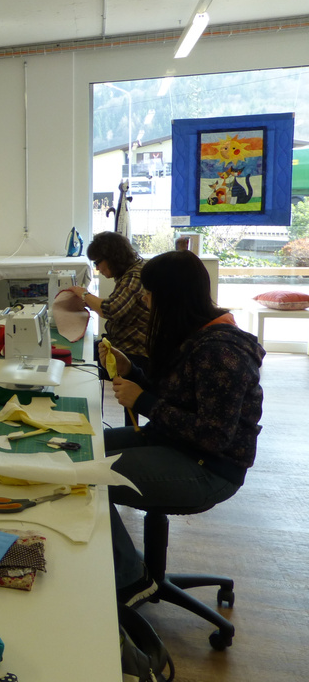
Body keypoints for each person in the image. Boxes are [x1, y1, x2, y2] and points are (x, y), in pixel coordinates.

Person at [99, 251, 264, 606]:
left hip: (209, 469)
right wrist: (132, 373)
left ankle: (130, 579)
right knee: (83, 449)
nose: (144, 301)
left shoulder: (221, 351)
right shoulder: (195, 335)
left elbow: (213, 435)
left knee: (89, 478)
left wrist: (143, 402)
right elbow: (179, 396)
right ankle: (127, 568)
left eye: (149, 294)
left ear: (171, 298)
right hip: (174, 443)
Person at [67, 231, 150, 371]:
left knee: (77, 363)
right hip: (122, 344)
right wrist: (88, 303)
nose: (97, 268)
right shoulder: (132, 271)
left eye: (97, 262)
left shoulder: (135, 276)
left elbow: (112, 309)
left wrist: (84, 294)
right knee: (80, 351)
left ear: (112, 258)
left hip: (134, 354)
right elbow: (117, 303)